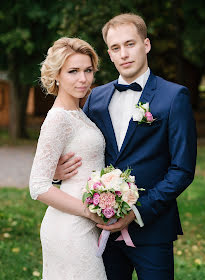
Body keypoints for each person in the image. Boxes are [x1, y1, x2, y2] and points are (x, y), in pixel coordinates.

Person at [54, 14, 197, 280]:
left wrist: (136, 210)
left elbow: (182, 169)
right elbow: (78, 148)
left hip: (152, 228)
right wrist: (57, 172)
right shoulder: (95, 97)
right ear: (109, 53)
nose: (124, 54)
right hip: (100, 229)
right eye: (116, 48)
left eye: (130, 44)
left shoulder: (173, 97)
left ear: (146, 45)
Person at [29, 37, 108, 280]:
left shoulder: (78, 113)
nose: (83, 79)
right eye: (73, 71)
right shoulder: (58, 118)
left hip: (84, 224)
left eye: (88, 70)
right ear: (57, 75)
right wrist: (90, 212)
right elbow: (38, 186)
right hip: (70, 227)